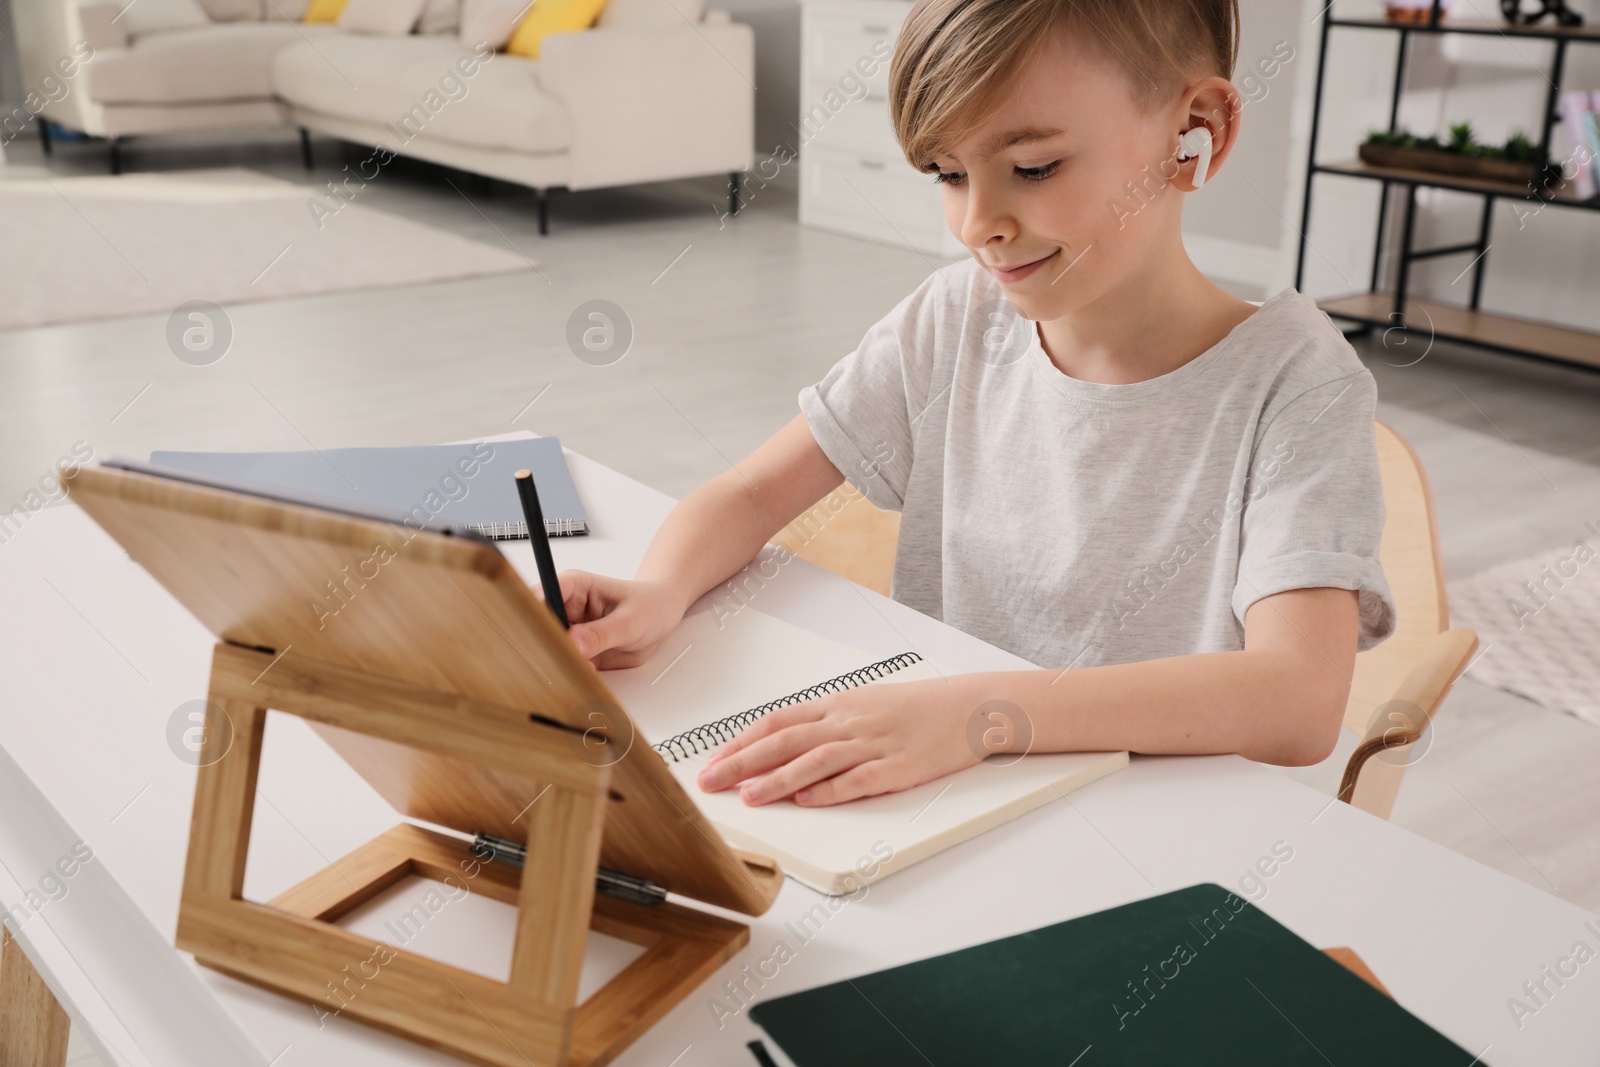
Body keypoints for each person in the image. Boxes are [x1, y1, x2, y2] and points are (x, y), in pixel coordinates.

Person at [556, 0, 1395, 808]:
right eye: (950, 175)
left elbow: (1297, 701)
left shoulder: (1297, 381)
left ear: (1195, 132)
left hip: (1155, 837)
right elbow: (751, 492)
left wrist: (981, 716)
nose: (976, 222)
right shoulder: (955, 318)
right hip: (947, 792)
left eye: (1033, 168)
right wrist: (659, 592)